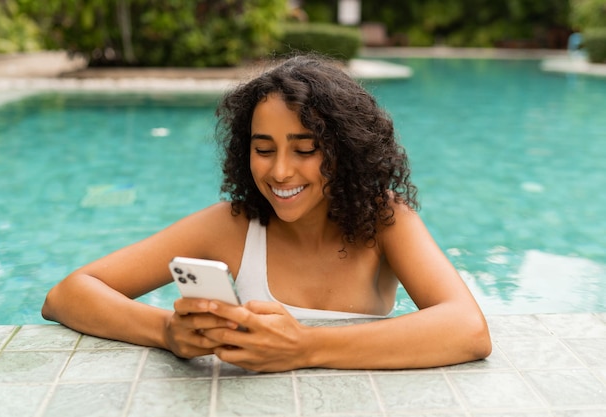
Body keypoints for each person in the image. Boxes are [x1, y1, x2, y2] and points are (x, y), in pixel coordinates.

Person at [42, 55, 491, 372]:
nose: (279, 171)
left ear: (347, 150)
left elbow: (468, 329)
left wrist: (304, 346)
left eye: (305, 149)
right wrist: (166, 331)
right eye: (263, 149)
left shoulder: (385, 220)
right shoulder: (234, 224)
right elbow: (67, 294)